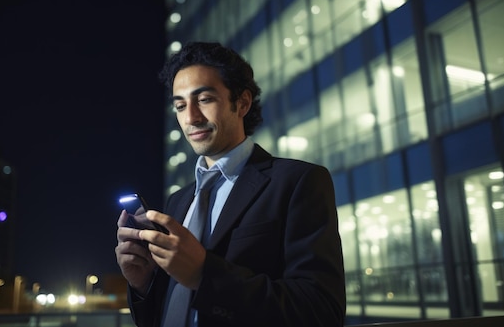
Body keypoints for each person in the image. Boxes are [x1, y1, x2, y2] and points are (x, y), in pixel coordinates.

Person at [115, 42, 345, 327]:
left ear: (243, 103)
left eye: (205, 99)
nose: (191, 118)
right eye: (180, 105)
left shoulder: (298, 182)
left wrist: (203, 273)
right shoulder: (178, 200)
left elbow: (321, 310)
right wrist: (144, 283)